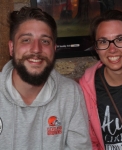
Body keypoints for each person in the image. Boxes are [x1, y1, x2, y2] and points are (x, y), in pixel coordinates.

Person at [0, 6, 92, 150]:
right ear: (11, 48)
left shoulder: (70, 94)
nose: (36, 49)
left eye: (45, 41)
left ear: (54, 49)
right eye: (26, 40)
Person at [79, 10, 122, 150]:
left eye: (120, 39)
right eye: (103, 41)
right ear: (96, 48)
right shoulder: (85, 90)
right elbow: (90, 142)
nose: (112, 49)